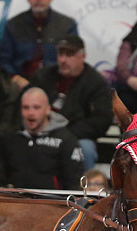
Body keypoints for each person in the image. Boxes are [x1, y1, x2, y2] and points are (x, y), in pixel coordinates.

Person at [30, 34, 112, 170]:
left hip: (76, 136)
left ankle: (83, 189)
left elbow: (101, 120)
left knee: (85, 149)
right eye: (61, 54)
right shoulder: (42, 77)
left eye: (69, 55)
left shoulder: (96, 83)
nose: (63, 60)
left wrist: (66, 134)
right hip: (39, 132)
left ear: (83, 56)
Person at [0, 87, 83, 190]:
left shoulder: (66, 140)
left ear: (48, 109)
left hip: (53, 202)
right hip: (16, 201)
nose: (30, 113)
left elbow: (74, 183)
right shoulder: (9, 137)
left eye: (36, 107)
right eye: (26, 107)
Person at [0, 0, 78, 90]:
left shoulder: (67, 25)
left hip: (57, 85)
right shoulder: (13, 25)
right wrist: (15, 78)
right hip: (21, 86)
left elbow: (74, 60)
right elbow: (3, 61)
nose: (38, 0)